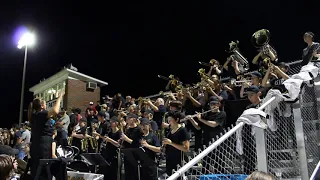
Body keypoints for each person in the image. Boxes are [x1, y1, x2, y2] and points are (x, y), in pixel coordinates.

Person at [27, 91, 64, 180]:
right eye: (45, 104)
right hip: (44, 147)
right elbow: (55, 110)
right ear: (42, 106)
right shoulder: (41, 114)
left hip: (37, 146)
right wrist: (60, 97)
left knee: (37, 171)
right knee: (46, 171)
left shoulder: (34, 115)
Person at [163, 110, 190, 179]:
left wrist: (171, 143)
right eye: (168, 120)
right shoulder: (169, 130)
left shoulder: (182, 130)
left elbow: (186, 148)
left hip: (179, 161)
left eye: (170, 120)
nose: (168, 122)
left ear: (177, 120)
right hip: (169, 160)